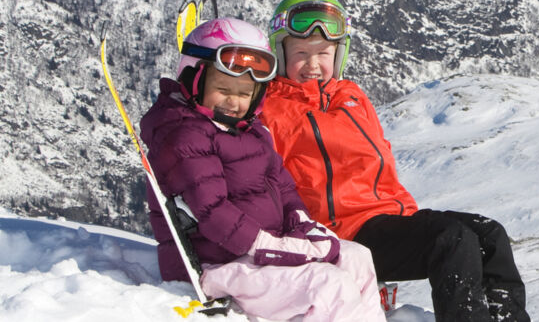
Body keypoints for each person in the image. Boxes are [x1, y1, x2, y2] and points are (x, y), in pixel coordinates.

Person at [261, 0, 530, 321]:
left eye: (323, 53)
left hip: (390, 216)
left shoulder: (352, 96)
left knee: (490, 235)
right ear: (280, 52)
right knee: (452, 240)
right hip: (344, 231)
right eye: (301, 53)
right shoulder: (272, 110)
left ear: (339, 53)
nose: (313, 65)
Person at [140, 17, 387, 322]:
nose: (233, 101)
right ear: (194, 78)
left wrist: (300, 222)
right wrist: (275, 247)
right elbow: (212, 213)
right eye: (223, 89)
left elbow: (284, 189)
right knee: (328, 286)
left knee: (357, 257)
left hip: (258, 257)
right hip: (218, 265)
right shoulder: (184, 136)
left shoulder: (253, 132)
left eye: (245, 94)